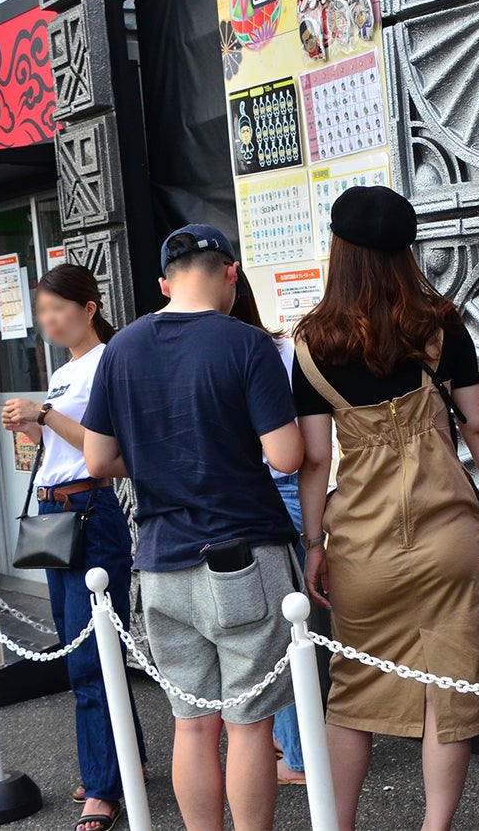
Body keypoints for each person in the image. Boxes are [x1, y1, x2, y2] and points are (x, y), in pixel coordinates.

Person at [292, 186, 479, 831]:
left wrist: (314, 544)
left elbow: (316, 462)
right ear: (406, 251)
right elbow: (478, 429)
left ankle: (339, 824)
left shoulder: (312, 342)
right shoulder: (440, 326)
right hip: (447, 537)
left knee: (353, 692)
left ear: (340, 251)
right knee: (451, 687)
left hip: (361, 541)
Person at [81, 225, 303, 831]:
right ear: (231, 273)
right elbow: (285, 456)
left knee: (192, 723)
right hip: (242, 560)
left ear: (163, 284)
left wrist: (159, 459)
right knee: (249, 724)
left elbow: (99, 461)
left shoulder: (120, 349)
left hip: (159, 562)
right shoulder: (247, 345)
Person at [0, 264, 146, 831]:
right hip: (53, 509)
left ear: (89, 306)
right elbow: (64, 444)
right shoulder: (65, 371)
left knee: (89, 655)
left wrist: (44, 413)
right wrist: (32, 427)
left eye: (57, 307)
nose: (48, 320)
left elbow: (111, 449)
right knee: (83, 645)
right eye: (41, 312)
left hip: (90, 509)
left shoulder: (111, 359)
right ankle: (117, 761)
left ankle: (104, 789)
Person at [229, 276, 305, 787]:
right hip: (293, 490)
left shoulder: (230, 351)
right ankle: (293, 748)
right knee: (291, 631)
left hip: (257, 496)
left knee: (275, 640)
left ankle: (296, 756)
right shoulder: (281, 347)